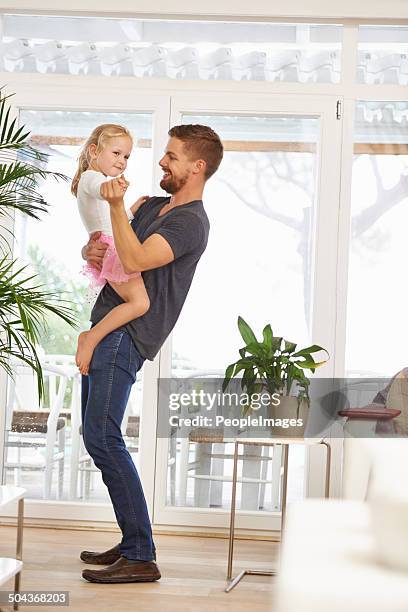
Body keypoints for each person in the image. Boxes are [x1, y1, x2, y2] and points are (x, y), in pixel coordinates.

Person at [79, 124, 224, 584]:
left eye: (172, 156)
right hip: (108, 327)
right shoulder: (156, 207)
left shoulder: (189, 223)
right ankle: (130, 541)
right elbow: (112, 254)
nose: (161, 162)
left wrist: (120, 207)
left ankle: (141, 553)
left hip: (127, 335)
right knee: (96, 436)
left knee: (103, 438)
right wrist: (92, 246)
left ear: (196, 167)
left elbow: (137, 260)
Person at [72, 123, 150, 375]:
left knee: (137, 301)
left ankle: (92, 337)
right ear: (94, 151)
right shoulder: (92, 179)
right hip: (111, 248)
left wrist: (130, 210)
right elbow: (101, 190)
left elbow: (107, 218)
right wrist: (112, 192)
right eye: (116, 154)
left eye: (126, 156)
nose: (122, 161)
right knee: (140, 303)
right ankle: (91, 338)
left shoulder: (94, 179)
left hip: (107, 244)